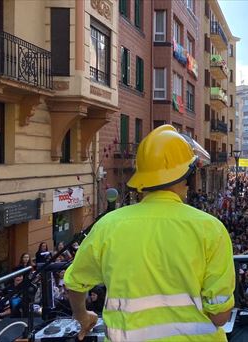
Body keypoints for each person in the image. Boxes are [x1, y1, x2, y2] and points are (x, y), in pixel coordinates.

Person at [64, 125, 235, 341]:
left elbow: (74, 282)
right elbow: (220, 316)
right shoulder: (211, 229)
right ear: (187, 175)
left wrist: (83, 315)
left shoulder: (109, 225)